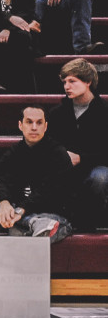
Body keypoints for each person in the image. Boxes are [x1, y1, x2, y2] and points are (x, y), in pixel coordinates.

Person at [0, 106, 78, 242]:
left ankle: (21, 230)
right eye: (29, 122)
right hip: (23, 213)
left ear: (46, 126)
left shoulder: (58, 154)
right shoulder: (13, 153)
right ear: (20, 125)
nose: (34, 127)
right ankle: (31, 226)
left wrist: (21, 210)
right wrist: (4, 203)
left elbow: (48, 192)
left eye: (39, 122)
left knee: (51, 224)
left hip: (52, 214)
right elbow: (2, 181)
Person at [45, 59, 108, 215]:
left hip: (96, 166)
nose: (67, 86)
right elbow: (48, 145)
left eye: (72, 81)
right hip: (65, 168)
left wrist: (81, 158)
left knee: (99, 177)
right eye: (64, 82)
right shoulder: (57, 113)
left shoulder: (104, 112)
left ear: (88, 82)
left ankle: (94, 218)